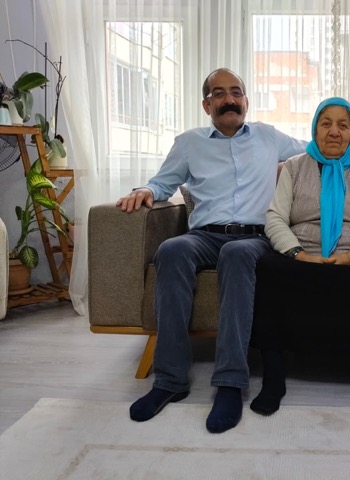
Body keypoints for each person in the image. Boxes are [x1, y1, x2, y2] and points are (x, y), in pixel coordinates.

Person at [116, 68, 307, 433]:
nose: (229, 100)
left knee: (236, 255)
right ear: (207, 105)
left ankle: (230, 383)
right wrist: (145, 190)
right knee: (172, 250)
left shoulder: (269, 137)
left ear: (246, 101)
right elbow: (162, 183)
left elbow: (315, 148)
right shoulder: (189, 143)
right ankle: (170, 380)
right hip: (204, 235)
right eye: (219, 94)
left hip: (256, 238)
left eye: (235, 92)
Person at [249, 97, 350, 419]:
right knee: (269, 267)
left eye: (343, 125)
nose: (334, 131)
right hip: (303, 253)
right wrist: (297, 253)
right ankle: (273, 377)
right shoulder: (294, 166)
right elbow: (275, 218)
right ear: (315, 129)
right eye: (326, 124)